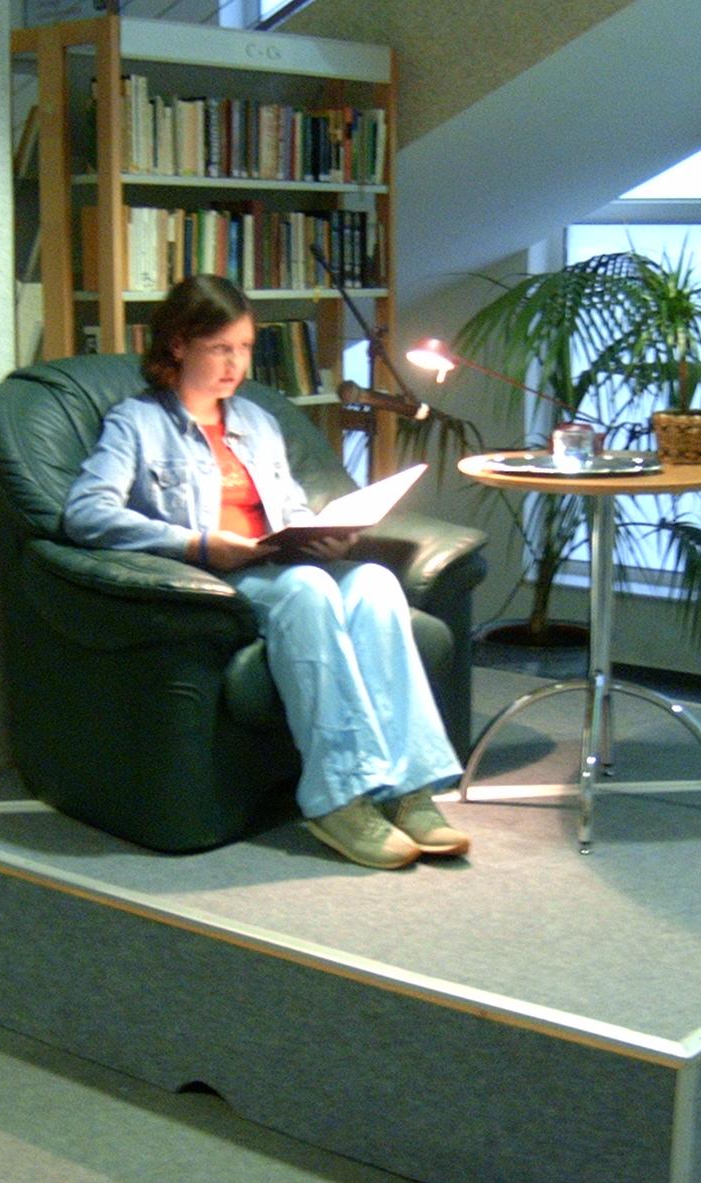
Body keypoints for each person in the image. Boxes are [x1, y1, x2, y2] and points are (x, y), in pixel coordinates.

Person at [63, 274, 470, 869]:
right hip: (219, 577)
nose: (236, 364)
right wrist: (198, 543)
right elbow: (86, 513)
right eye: (219, 348)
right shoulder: (138, 423)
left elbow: (289, 508)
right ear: (178, 345)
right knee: (307, 589)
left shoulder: (257, 420)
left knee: (375, 582)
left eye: (245, 348)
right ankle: (339, 798)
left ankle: (409, 790)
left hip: (282, 561)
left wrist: (323, 534)